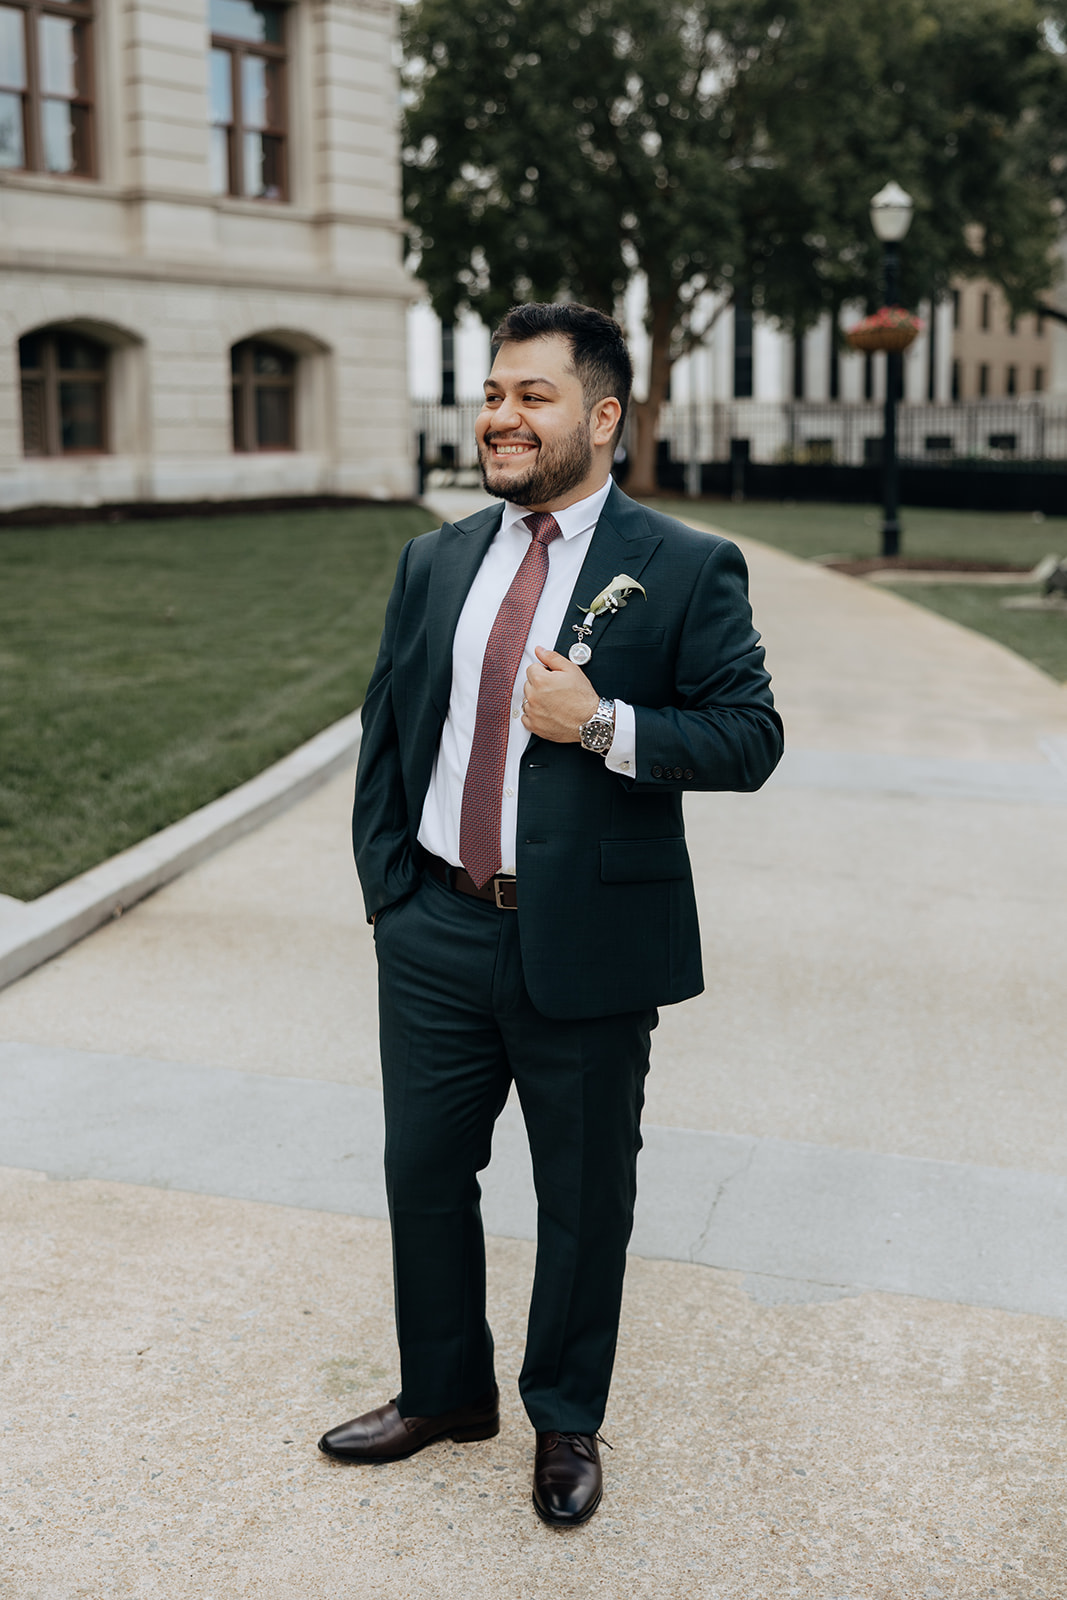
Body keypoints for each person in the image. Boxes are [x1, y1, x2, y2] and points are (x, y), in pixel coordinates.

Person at [318, 302, 784, 1526]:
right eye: (490, 394)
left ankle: (563, 1417)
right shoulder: (437, 558)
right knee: (421, 1171)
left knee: (583, 1196)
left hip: (584, 944)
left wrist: (600, 723)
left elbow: (749, 739)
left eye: (530, 396)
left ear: (602, 416)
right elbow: (390, 726)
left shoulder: (685, 566)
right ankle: (443, 1393)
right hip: (434, 926)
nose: (498, 418)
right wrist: (390, 891)